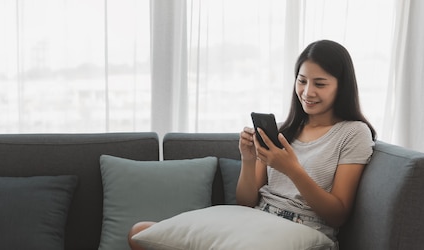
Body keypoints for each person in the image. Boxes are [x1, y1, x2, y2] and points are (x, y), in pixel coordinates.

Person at [128, 39, 376, 249]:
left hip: (304, 231)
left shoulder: (353, 133)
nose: (307, 92)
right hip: (255, 220)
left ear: (341, 87)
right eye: (302, 81)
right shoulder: (281, 131)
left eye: (319, 84)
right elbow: (245, 202)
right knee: (139, 233)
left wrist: (292, 169)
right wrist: (247, 159)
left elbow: (338, 213)